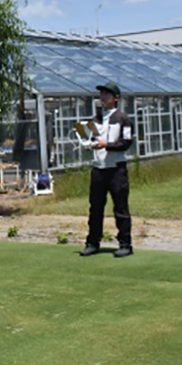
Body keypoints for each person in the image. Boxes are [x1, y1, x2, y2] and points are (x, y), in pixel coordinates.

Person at [79, 81, 134, 258]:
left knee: (120, 208)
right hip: (98, 169)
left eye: (106, 94)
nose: (103, 97)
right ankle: (92, 242)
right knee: (95, 208)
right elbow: (90, 139)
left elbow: (125, 143)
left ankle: (125, 244)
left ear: (116, 98)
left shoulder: (123, 118)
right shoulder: (95, 119)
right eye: (101, 94)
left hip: (116, 170)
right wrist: (88, 143)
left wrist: (106, 145)